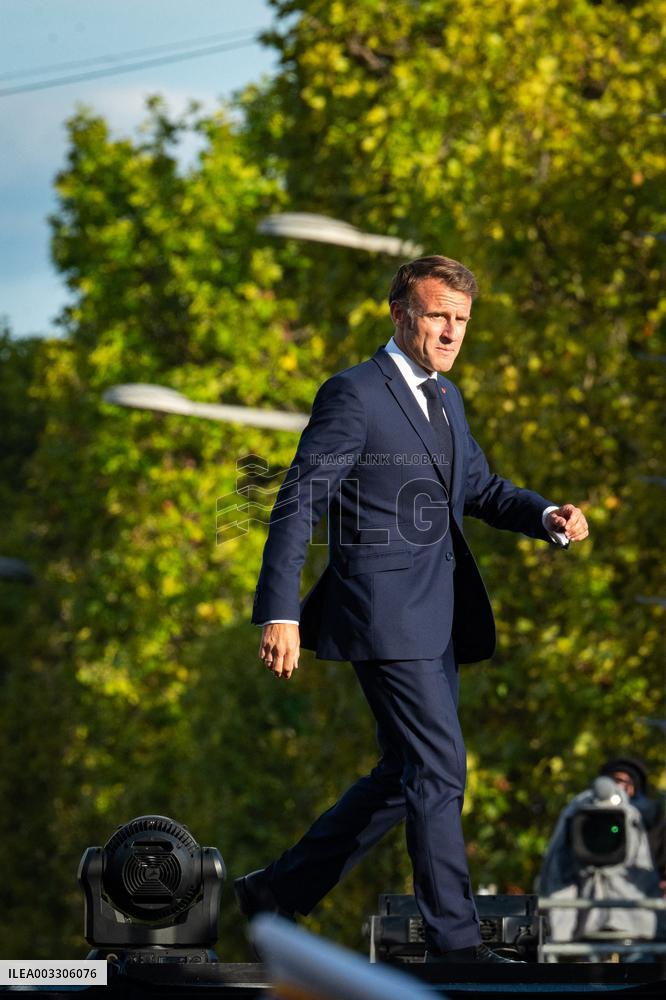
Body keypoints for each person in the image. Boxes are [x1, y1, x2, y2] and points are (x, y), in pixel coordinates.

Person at [236, 255, 589, 963]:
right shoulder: (355, 394)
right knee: (439, 768)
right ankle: (456, 946)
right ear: (401, 315)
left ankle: (278, 891)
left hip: (435, 620)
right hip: (382, 614)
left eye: (461, 320)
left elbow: (484, 489)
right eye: (438, 316)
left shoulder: (445, 398)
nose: (452, 331)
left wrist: (546, 513)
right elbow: (297, 503)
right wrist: (281, 612)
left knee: (405, 774)